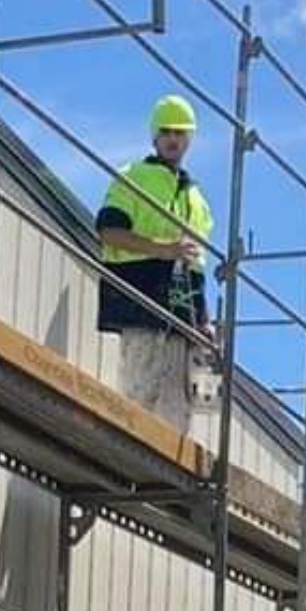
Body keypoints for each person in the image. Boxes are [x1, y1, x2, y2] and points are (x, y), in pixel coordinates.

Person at [95, 95, 216, 422]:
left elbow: (197, 269)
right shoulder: (133, 177)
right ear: (155, 136)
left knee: (178, 409)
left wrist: (204, 321)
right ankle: (127, 460)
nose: (173, 139)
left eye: (180, 133)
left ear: (189, 139)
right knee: (138, 396)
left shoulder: (197, 201)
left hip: (181, 314)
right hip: (141, 301)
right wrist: (165, 249)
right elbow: (108, 231)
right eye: (167, 132)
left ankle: (167, 472)